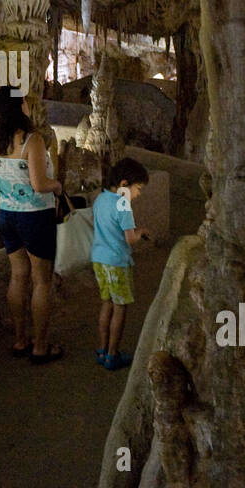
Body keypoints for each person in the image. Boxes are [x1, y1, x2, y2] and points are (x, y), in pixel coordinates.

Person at [0, 86, 65, 365]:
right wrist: (56, 186)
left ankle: (20, 340)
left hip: (6, 215)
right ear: (18, 107)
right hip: (34, 216)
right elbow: (39, 184)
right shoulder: (31, 140)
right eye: (24, 102)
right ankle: (41, 347)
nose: (27, 106)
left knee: (18, 276)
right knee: (41, 280)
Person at [91, 157, 150, 371]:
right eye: (138, 189)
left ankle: (102, 349)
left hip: (98, 259)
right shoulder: (122, 204)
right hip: (116, 262)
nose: (138, 194)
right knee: (120, 307)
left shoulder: (100, 199)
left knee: (106, 304)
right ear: (124, 184)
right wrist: (141, 232)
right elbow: (129, 238)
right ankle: (113, 354)